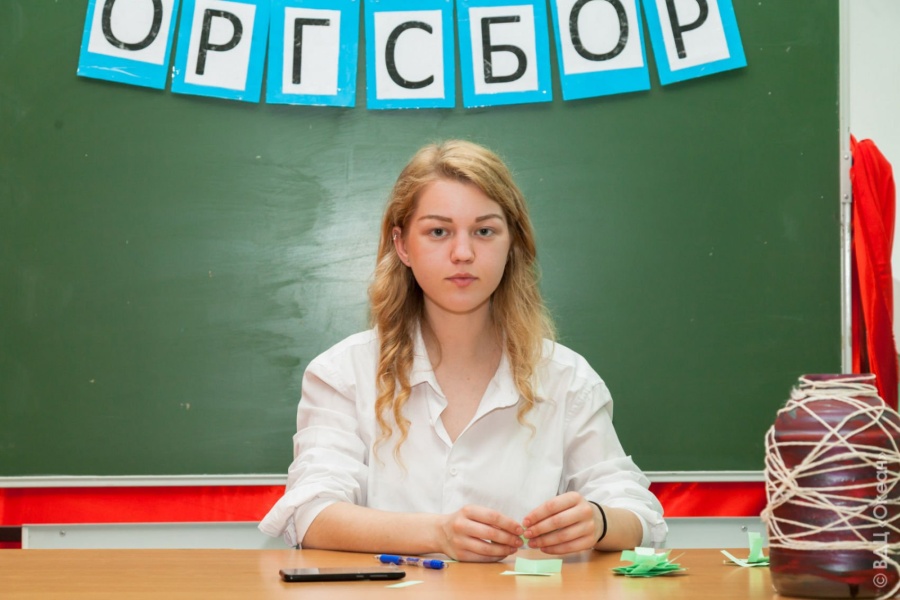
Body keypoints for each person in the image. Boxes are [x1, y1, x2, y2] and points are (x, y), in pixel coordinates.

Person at [259, 140, 666, 561]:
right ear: (402, 245)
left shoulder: (566, 378)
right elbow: (310, 514)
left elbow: (640, 515)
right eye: (438, 232)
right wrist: (437, 534)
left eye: (484, 231)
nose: (463, 253)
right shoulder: (343, 373)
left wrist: (598, 521)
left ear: (512, 244)